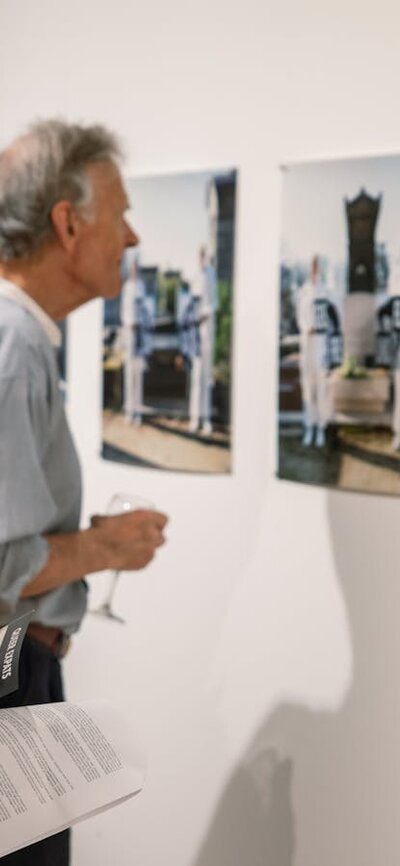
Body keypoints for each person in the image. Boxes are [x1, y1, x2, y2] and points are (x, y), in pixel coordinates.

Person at [0, 119, 168, 866]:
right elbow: (3, 565)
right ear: (67, 225)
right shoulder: (14, 347)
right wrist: (104, 546)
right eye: (121, 213)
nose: (132, 238)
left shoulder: (24, 339)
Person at [296, 255, 340, 448]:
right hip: (307, 344)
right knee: (309, 388)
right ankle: (309, 427)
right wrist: (307, 329)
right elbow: (300, 319)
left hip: (321, 345)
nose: (314, 269)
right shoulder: (303, 292)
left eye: (317, 265)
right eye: (312, 265)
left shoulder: (326, 292)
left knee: (322, 387)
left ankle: (321, 428)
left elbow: (333, 318)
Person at [188, 247, 218, 435]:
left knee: (206, 376)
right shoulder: (194, 276)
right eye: (200, 255)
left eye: (204, 255)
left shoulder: (211, 274)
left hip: (208, 329)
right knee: (196, 376)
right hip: (195, 332)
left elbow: (214, 301)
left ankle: (206, 418)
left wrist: (207, 313)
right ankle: (194, 418)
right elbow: (191, 302)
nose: (202, 259)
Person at [121, 258, 153, 425]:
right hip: (129, 333)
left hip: (139, 334)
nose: (134, 270)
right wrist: (128, 325)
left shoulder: (141, 286)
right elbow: (124, 311)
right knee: (129, 373)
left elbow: (144, 309)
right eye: (132, 267)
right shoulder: (126, 287)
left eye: (136, 267)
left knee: (138, 373)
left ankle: (138, 411)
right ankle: (129, 410)